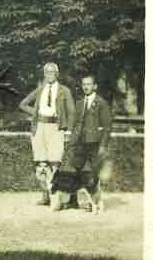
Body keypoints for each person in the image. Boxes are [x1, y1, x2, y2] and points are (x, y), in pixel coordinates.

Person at [52, 75, 113, 213]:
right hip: (78, 143)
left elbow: (107, 126)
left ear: (95, 86)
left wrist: (103, 146)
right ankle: (71, 201)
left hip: (94, 144)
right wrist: (71, 142)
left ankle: (97, 203)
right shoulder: (79, 103)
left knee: (92, 175)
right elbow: (75, 125)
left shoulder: (101, 103)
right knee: (72, 171)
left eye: (89, 84)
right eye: (84, 84)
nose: (86, 87)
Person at [18, 62, 75, 205]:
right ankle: (45, 196)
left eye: (53, 72)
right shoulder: (40, 89)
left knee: (55, 162)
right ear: (44, 74)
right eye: (47, 72)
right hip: (39, 127)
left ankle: (55, 197)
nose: (50, 74)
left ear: (57, 74)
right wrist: (36, 114)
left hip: (56, 127)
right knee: (41, 163)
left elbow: (72, 111)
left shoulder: (64, 90)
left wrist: (68, 130)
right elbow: (23, 104)